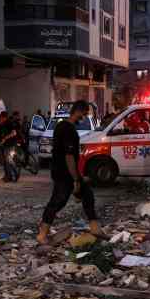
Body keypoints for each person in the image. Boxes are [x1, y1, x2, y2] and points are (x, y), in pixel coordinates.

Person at [37, 101, 103, 244]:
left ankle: (95, 227)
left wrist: (78, 177)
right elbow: (69, 156)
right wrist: (75, 179)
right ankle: (42, 234)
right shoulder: (68, 129)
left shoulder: (62, 126)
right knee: (57, 202)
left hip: (62, 170)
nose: (84, 117)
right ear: (78, 111)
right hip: (64, 172)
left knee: (87, 195)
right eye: (84, 114)